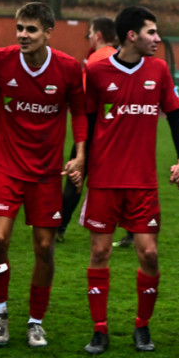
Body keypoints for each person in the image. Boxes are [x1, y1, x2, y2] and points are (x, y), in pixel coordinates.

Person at [0, 3, 86, 348]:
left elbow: (81, 114)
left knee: (44, 247)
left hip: (45, 174)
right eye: (20, 28)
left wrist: (81, 155)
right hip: (7, 167)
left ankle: (36, 321)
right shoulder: (1, 61)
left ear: (48, 33)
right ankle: (0, 313)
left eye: (31, 29)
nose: (23, 35)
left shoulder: (68, 69)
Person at [79, 5, 179, 354]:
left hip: (143, 182)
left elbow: (174, 116)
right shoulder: (96, 69)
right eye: (152, 33)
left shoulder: (158, 70)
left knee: (150, 254)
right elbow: (86, 119)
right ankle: (99, 329)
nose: (158, 39)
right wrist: (79, 158)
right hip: (104, 180)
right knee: (99, 252)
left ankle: (142, 326)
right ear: (132, 35)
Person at [57, 17, 117, 244]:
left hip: (92, 130)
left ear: (99, 35)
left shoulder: (96, 60)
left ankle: (59, 226)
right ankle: (134, 231)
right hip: (116, 132)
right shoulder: (120, 58)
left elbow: (82, 98)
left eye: (91, 33)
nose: (90, 37)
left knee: (74, 177)